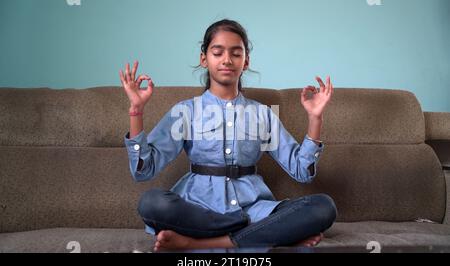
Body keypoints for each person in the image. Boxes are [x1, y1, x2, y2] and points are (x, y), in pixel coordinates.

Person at [120, 19, 337, 252]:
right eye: (217, 52)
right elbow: (144, 171)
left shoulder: (262, 114)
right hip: (199, 210)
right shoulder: (185, 111)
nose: (226, 60)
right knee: (152, 203)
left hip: (252, 207)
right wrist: (136, 111)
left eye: (236, 53)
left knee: (323, 207)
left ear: (246, 62)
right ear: (204, 59)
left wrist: (315, 119)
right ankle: (260, 232)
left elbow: (301, 171)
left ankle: (199, 242)